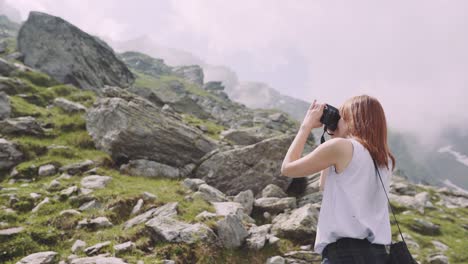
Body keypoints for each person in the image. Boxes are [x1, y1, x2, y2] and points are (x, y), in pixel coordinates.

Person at [281, 94, 395, 264]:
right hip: (377, 254)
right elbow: (324, 185)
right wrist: (335, 137)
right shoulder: (384, 159)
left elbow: (288, 168)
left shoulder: (342, 148)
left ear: (352, 118)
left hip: (344, 255)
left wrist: (306, 127)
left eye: (341, 116)